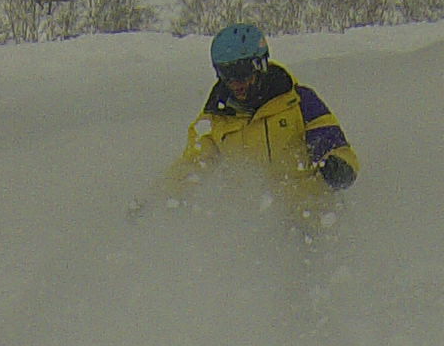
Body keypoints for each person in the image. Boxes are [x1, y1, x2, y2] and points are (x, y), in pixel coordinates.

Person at [143, 25, 358, 218]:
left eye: (241, 72)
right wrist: (153, 201)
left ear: (260, 65)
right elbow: (190, 167)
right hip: (257, 225)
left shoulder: (300, 102)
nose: (235, 83)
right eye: (225, 74)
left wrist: (340, 167)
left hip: (311, 215)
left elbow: (333, 145)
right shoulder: (215, 120)